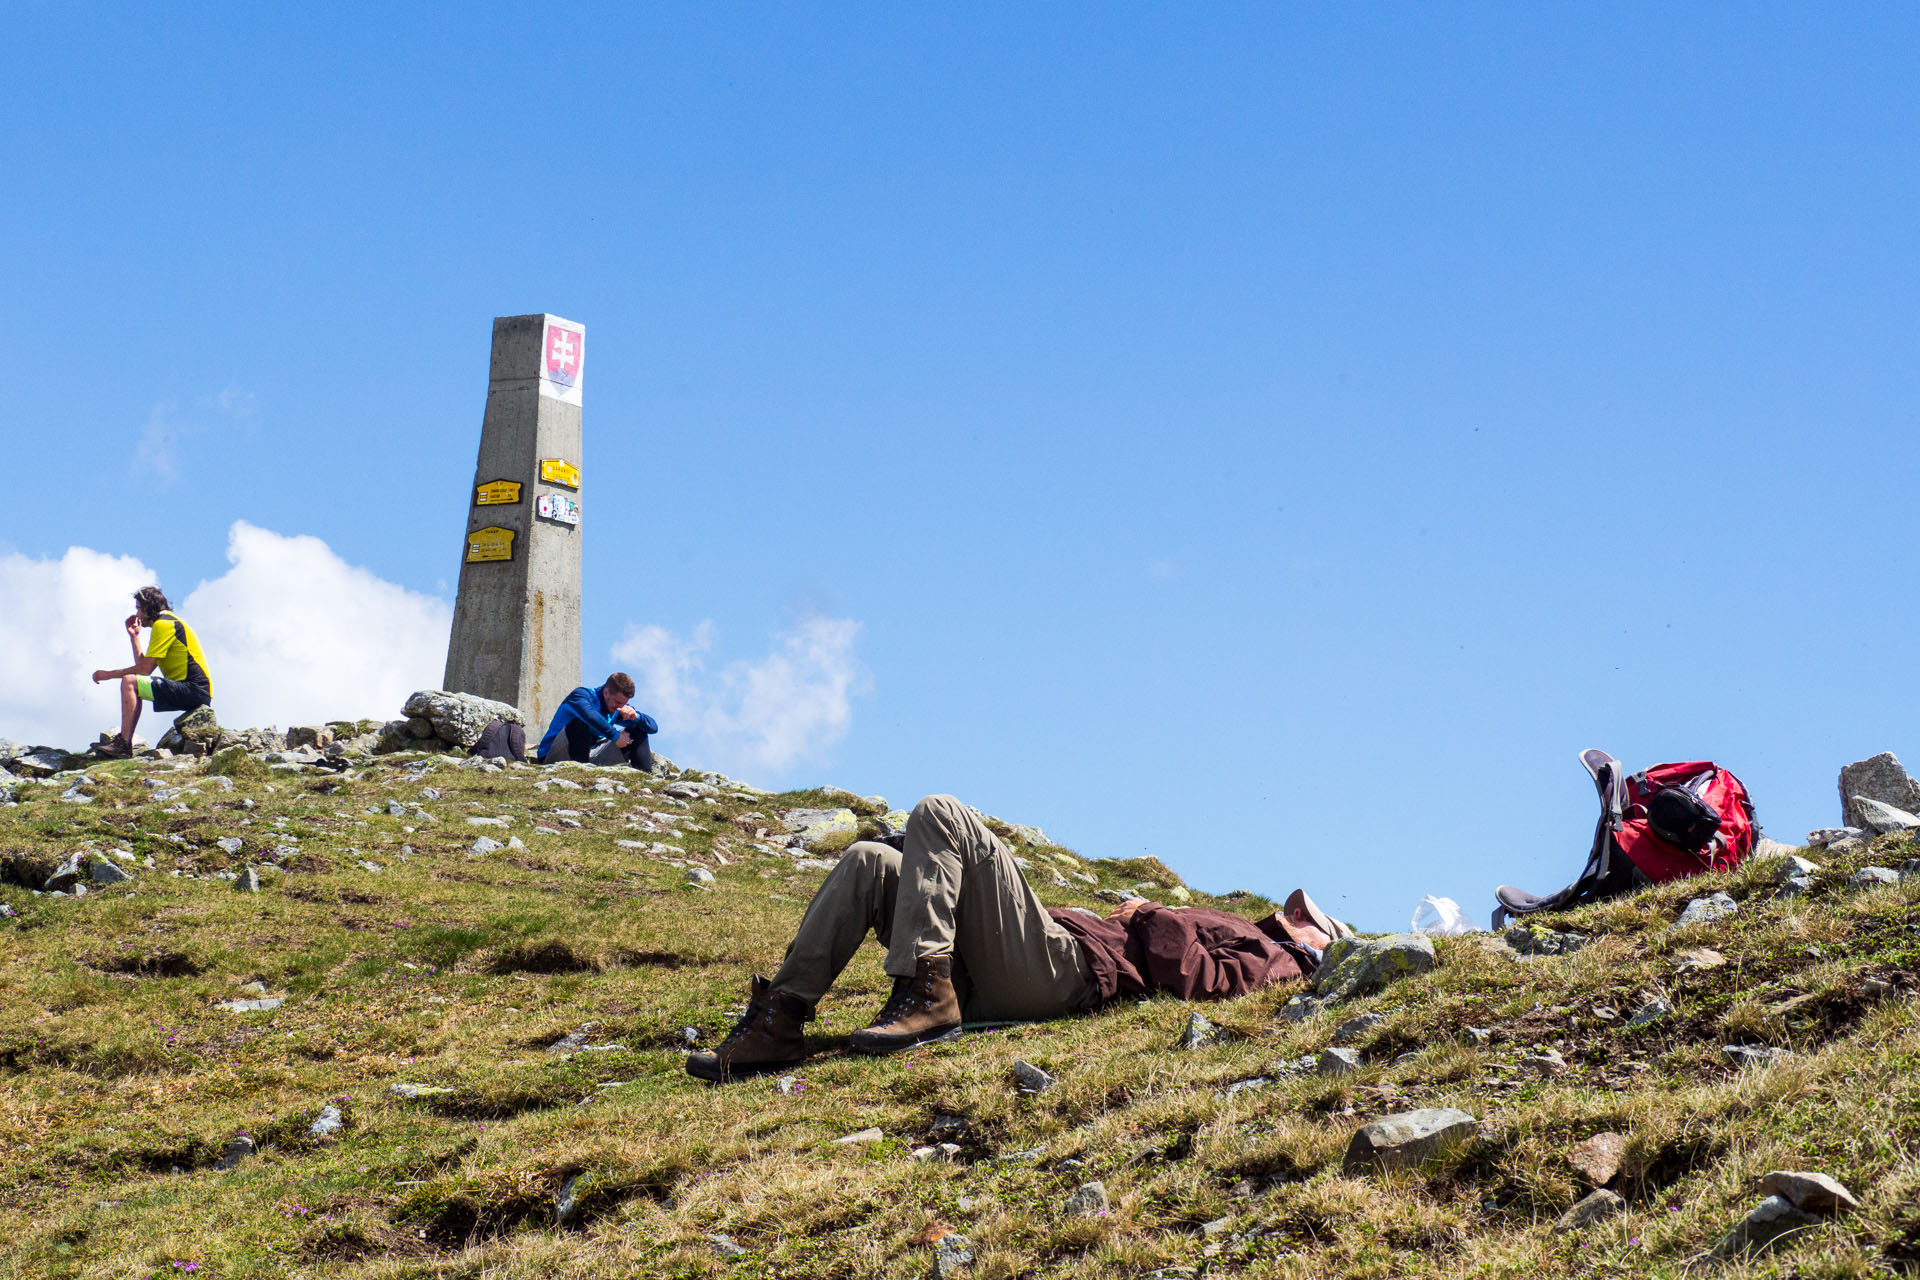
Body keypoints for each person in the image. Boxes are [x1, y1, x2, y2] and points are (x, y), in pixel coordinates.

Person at [687, 794, 1344, 1081]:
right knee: (871, 859)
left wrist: (1145, 914)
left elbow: (1208, 982)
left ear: (1320, 940)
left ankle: (925, 992)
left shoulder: (1281, 958)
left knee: (941, 812)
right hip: (1019, 960)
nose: (1291, 910)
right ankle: (782, 1018)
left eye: (1305, 913)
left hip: (1065, 974)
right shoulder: (1248, 929)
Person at [88, 586, 213, 759]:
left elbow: (143, 670)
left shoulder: (164, 625)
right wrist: (134, 637)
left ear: (149, 608)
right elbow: (143, 669)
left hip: (193, 690)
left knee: (129, 682)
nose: (137, 614)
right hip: (195, 690)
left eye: (139, 609)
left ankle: (123, 743)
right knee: (132, 682)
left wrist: (107, 674)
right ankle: (123, 743)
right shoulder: (167, 622)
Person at [534, 672, 658, 771]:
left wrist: (636, 717)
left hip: (590, 756)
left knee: (637, 730)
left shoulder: (616, 708)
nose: (619, 707)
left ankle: (645, 777)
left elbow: (653, 727)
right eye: (618, 702)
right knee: (579, 724)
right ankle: (581, 773)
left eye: (623, 704)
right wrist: (615, 736)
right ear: (606, 692)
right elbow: (590, 716)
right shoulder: (581, 696)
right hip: (553, 756)